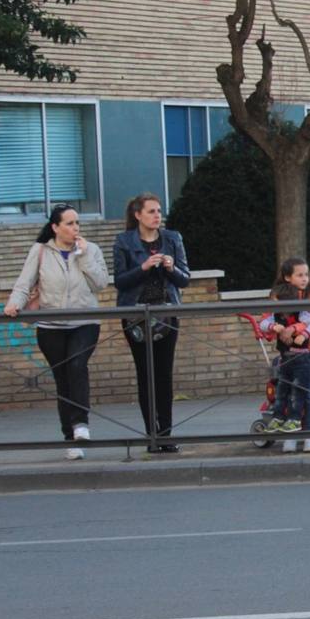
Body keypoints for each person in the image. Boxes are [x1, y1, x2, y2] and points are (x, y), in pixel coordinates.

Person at [3, 203, 110, 461]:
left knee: (76, 366)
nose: (75, 228)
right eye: (70, 223)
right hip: (51, 327)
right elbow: (24, 282)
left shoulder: (91, 249)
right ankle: (71, 438)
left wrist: (83, 256)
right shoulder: (40, 251)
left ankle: (81, 424)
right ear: (55, 227)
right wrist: (14, 303)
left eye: (77, 223)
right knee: (63, 381)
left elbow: (101, 284)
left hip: (84, 323)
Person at [113, 192, 190, 454]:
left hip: (166, 312)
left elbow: (184, 279)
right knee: (145, 373)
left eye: (159, 211)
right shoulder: (124, 241)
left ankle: (167, 434)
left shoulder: (172, 238)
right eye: (151, 211)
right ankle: (151, 435)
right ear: (138, 215)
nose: (157, 216)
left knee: (164, 374)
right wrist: (144, 266)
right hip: (136, 314)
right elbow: (120, 282)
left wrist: (170, 268)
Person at [259, 258, 310, 453]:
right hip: (289, 353)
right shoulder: (278, 295)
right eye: (300, 275)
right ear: (287, 277)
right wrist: (276, 328)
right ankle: (290, 435)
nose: (305, 278)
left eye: (306, 274)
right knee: (288, 393)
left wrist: (294, 329)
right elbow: (266, 320)